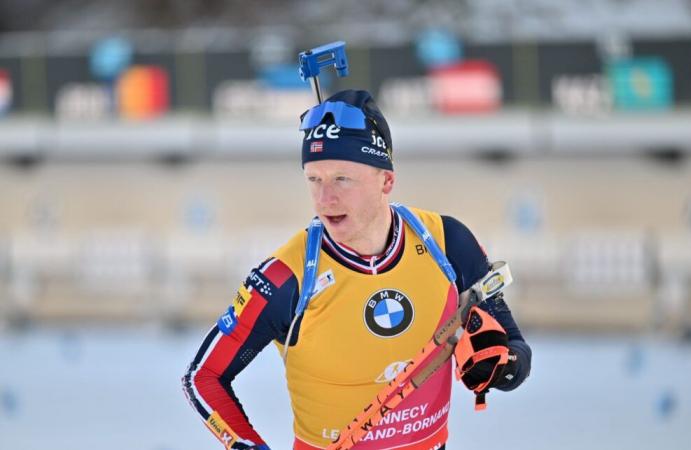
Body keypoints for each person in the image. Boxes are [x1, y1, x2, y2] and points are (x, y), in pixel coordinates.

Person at [182, 89, 532, 450]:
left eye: (342, 179)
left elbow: (515, 348)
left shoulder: (447, 244)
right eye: (314, 180)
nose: (325, 198)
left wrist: (500, 367)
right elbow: (203, 376)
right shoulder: (286, 278)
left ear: (386, 181)